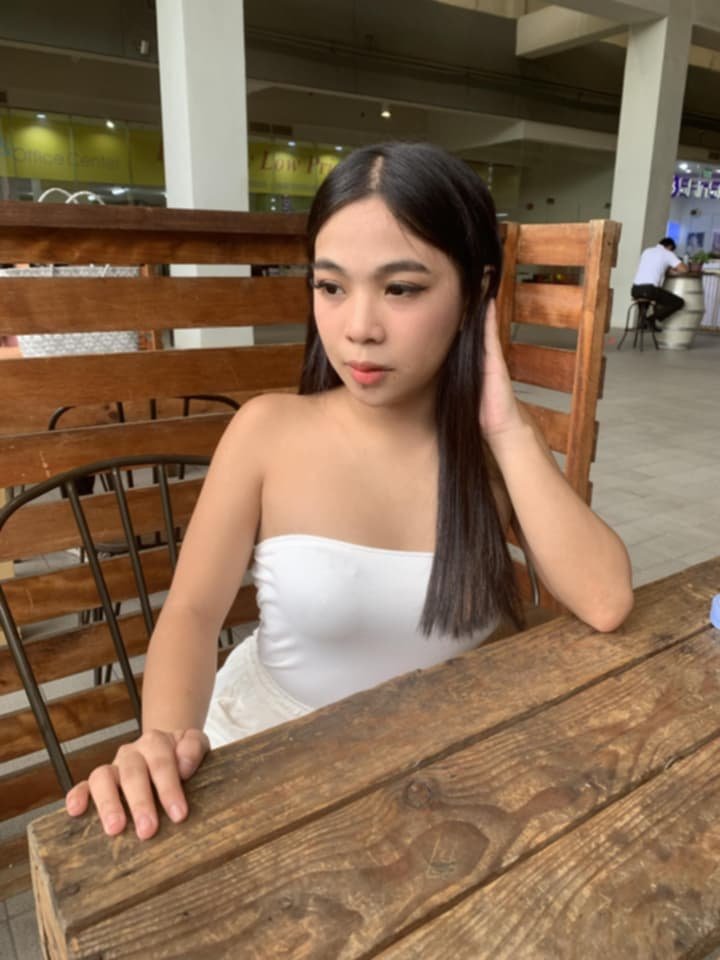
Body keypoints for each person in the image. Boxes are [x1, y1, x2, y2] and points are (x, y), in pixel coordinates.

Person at [65, 142, 633, 840]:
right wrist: (161, 740)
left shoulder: (496, 454)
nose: (359, 328)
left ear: (475, 292)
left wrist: (505, 425)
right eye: (331, 287)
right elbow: (191, 613)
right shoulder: (267, 430)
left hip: (439, 779)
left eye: (402, 288)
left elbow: (605, 602)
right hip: (268, 761)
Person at [631, 237, 688, 332]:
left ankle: (642, 322)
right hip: (649, 289)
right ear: (669, 247)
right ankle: (650, 319)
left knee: (649, 296)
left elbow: (654, 267)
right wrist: (673, 270)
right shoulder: (668, 253)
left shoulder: (647, 251)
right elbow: (684, 269)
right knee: (679, 302)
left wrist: (667, 269)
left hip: (635, 289)